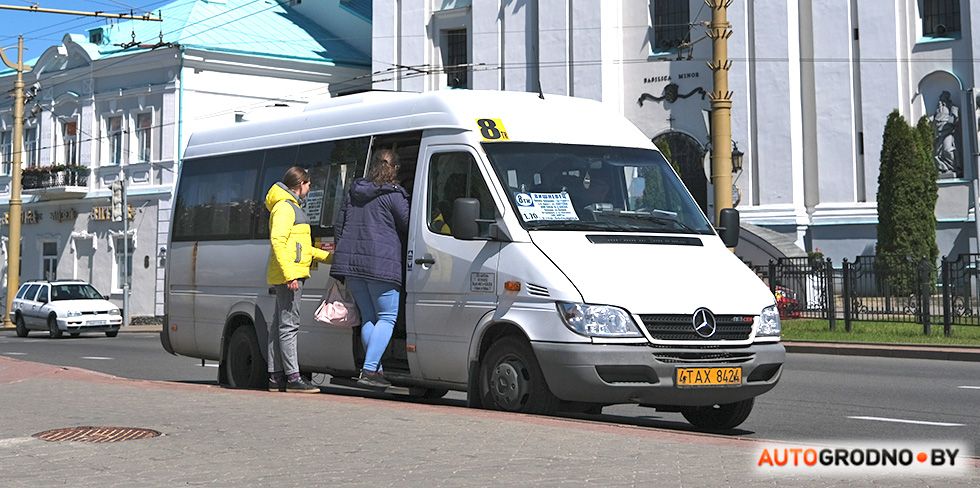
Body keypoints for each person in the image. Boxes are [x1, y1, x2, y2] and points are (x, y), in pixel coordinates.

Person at [331, 148, 410, 388]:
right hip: (381, 264)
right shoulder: (394, 195)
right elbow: (408, 226)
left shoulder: (354, 191)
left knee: (370, 317)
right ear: (395, 169)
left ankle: (376, 370)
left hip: (354, 266)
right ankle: (368, 370)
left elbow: (339, 226)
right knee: (387, 317)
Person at [265, 166, 333, 393]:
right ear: (300, 184)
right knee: (289, 325)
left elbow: (302, 248)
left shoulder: (292, 207)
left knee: (279, 326)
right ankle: (294, 378)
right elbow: (278, 242)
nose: (310, 188)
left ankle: (276, 377)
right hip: (290, 275)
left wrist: (329, 256)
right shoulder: (285, 208)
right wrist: (290, 275)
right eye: (309, 184)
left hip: (290, 273)